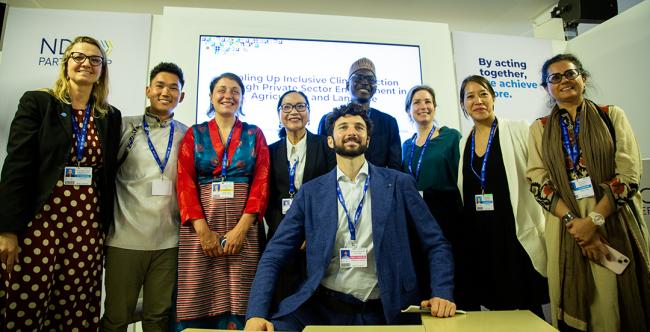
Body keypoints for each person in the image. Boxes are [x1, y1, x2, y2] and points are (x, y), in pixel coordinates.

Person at [245, 102, 455, 332]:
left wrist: (441, 294)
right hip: (325, 308)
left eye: (359, 127)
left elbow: (436, 244)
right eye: (343, 127)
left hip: (388, 308)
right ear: (330, 141)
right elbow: (274, 254)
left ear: (368, 140)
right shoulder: (311, 192)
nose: (352, 132)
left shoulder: (399, 183)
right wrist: (256, 313)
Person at [0, 36, 122, 330]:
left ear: (102, 70)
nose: (87, 64)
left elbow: (107, 176)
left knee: (76, 303)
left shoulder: (109, 115)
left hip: (86, 224)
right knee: (27, 297)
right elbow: (17, 165)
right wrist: (7, 229)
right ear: (66, 63)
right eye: (79, 57)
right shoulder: (39, 103)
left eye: (96, 60)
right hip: (40, 220)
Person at [527, 54, 650, 331]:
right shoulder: (540, 128)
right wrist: (576, 224)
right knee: (575, 295)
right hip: (565, 224)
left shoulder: (611, 115)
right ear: (546, 87)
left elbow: (629, 174)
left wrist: (593, 221)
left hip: (612, 216)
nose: (564, 81)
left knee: (614, 300)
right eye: (554, 78)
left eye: (570, 74)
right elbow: (537, 180)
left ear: (583, 78)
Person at [175, 72, 270, 330]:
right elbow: (185, 182)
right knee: (198, 291)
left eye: (235, 91)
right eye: (222, 89)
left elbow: (261, 182)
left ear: (242, 97)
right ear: (210, 96)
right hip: (202, 223)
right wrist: (202, 231)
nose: (228, 95)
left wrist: (242, 229)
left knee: (243, 290)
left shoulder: (254, 134)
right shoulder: (195, 134)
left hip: (244, 224)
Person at [101, 62, 188, 331]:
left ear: (181, 96)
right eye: (160, 86)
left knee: (158, 318)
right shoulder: (124, 127)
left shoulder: (187, 134)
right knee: (117, 316)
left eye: (173, 88)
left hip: (168, 243)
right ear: (148, 90)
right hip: (124, 239)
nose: (166, 92)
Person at [457, 75, 548, 317]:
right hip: (483, 236)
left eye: (483, 94)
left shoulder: (518, 129)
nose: (478, 101)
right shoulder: (464, 142)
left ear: (494, 98)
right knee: (496, 305)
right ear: (463, 104)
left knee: (527, 304)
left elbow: (538, 174)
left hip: (514, 231)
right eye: (470, 96)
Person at [266, 90, 335, 307]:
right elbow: (269, 198)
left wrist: (311, 232)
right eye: (287, 107)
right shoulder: (270, 151)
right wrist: (287, 233)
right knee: (283, 297)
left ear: (309, 113)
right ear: (279, 114)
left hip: (316, 237)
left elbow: (331, 193)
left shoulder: (325, 146)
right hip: (281, 235)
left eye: (300, 106)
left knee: (314, 300)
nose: (294, 112)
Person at [400, 85, 463, 302]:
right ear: (409, 110)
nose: (423, 106)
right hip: (416, 214)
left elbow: (461, 180)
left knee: (448, 265)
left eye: (427, 101)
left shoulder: (451, 137)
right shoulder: (406, 146)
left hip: (446, 212)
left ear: (435, 107)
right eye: (416, 102)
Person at [318, 57, 401, 169]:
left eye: (370, 79)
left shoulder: (388, 122)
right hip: (337, 184)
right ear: (347, 85)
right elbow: (322, 162)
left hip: (378, 185)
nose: (365, 82)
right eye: (358, 78)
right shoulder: (328, 120)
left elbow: (394, 166)